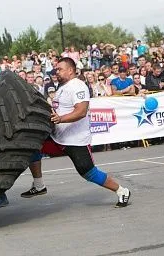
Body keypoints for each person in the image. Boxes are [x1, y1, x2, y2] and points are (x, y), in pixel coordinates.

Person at [21, 57, 131, 208]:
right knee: (32, 147)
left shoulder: (77, 86)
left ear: (70, 70)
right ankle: (39, 186)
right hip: (58, 136)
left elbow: (81, 111)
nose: (56, 72)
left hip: (75, 139)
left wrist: (60, 119)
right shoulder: (62, 87)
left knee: (88, 172)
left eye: (60, 69)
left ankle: (122, 191)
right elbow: (59, 109)